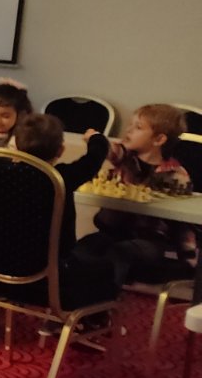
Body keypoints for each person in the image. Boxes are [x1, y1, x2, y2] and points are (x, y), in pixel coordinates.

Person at [0, 114, 116, 333]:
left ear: (16, 145)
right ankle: (89, 319)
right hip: (50, 276)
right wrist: (96, 138)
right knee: (106, 266)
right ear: (60, 150)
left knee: (92, 248)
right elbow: (94, 158)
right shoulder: (60, 178)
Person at [75, 104, 195, 298]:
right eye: (130, 125)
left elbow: (182, 220)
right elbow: (109, 149)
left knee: (120, 252)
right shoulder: (125, 159)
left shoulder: (176, 175)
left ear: (159, 139)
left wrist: (188, 258)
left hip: (152, 241)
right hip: (113, 232)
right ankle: (73, 297)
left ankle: (104, 300)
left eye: (138, 127)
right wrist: (96, 139)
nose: (128, 130)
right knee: (84, 247)